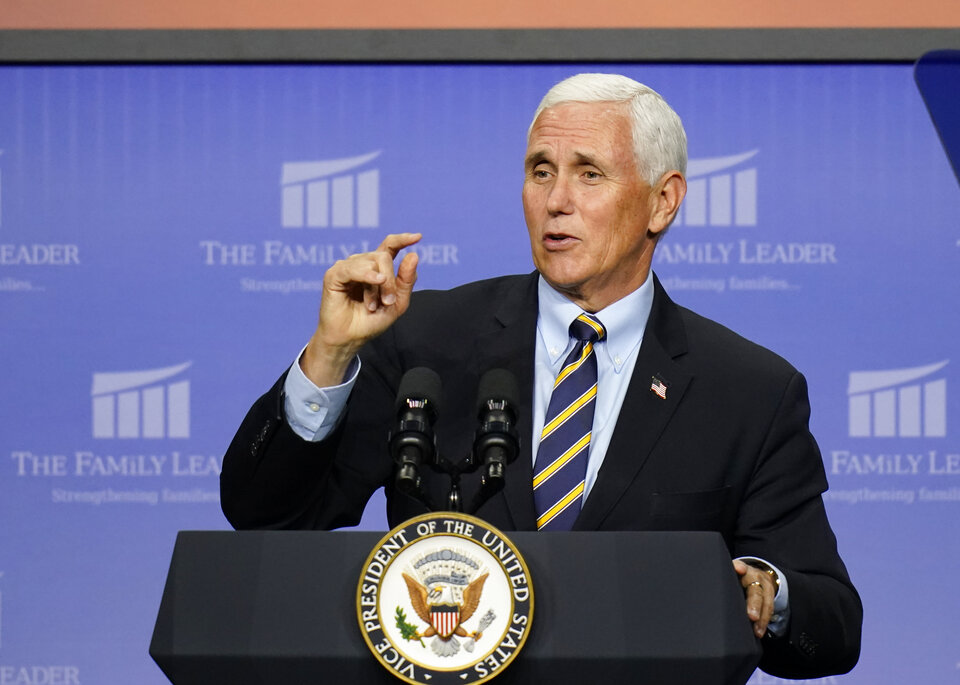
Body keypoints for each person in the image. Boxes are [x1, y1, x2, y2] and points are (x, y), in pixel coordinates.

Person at [221, 73, 861, 679]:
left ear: (661, 202)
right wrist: (329, 356)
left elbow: (832, 626)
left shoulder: (749, 390)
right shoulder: (426, 341)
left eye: (589, 175)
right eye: (540, 172)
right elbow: (267, 517)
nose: (556, 201)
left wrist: (766, 592)